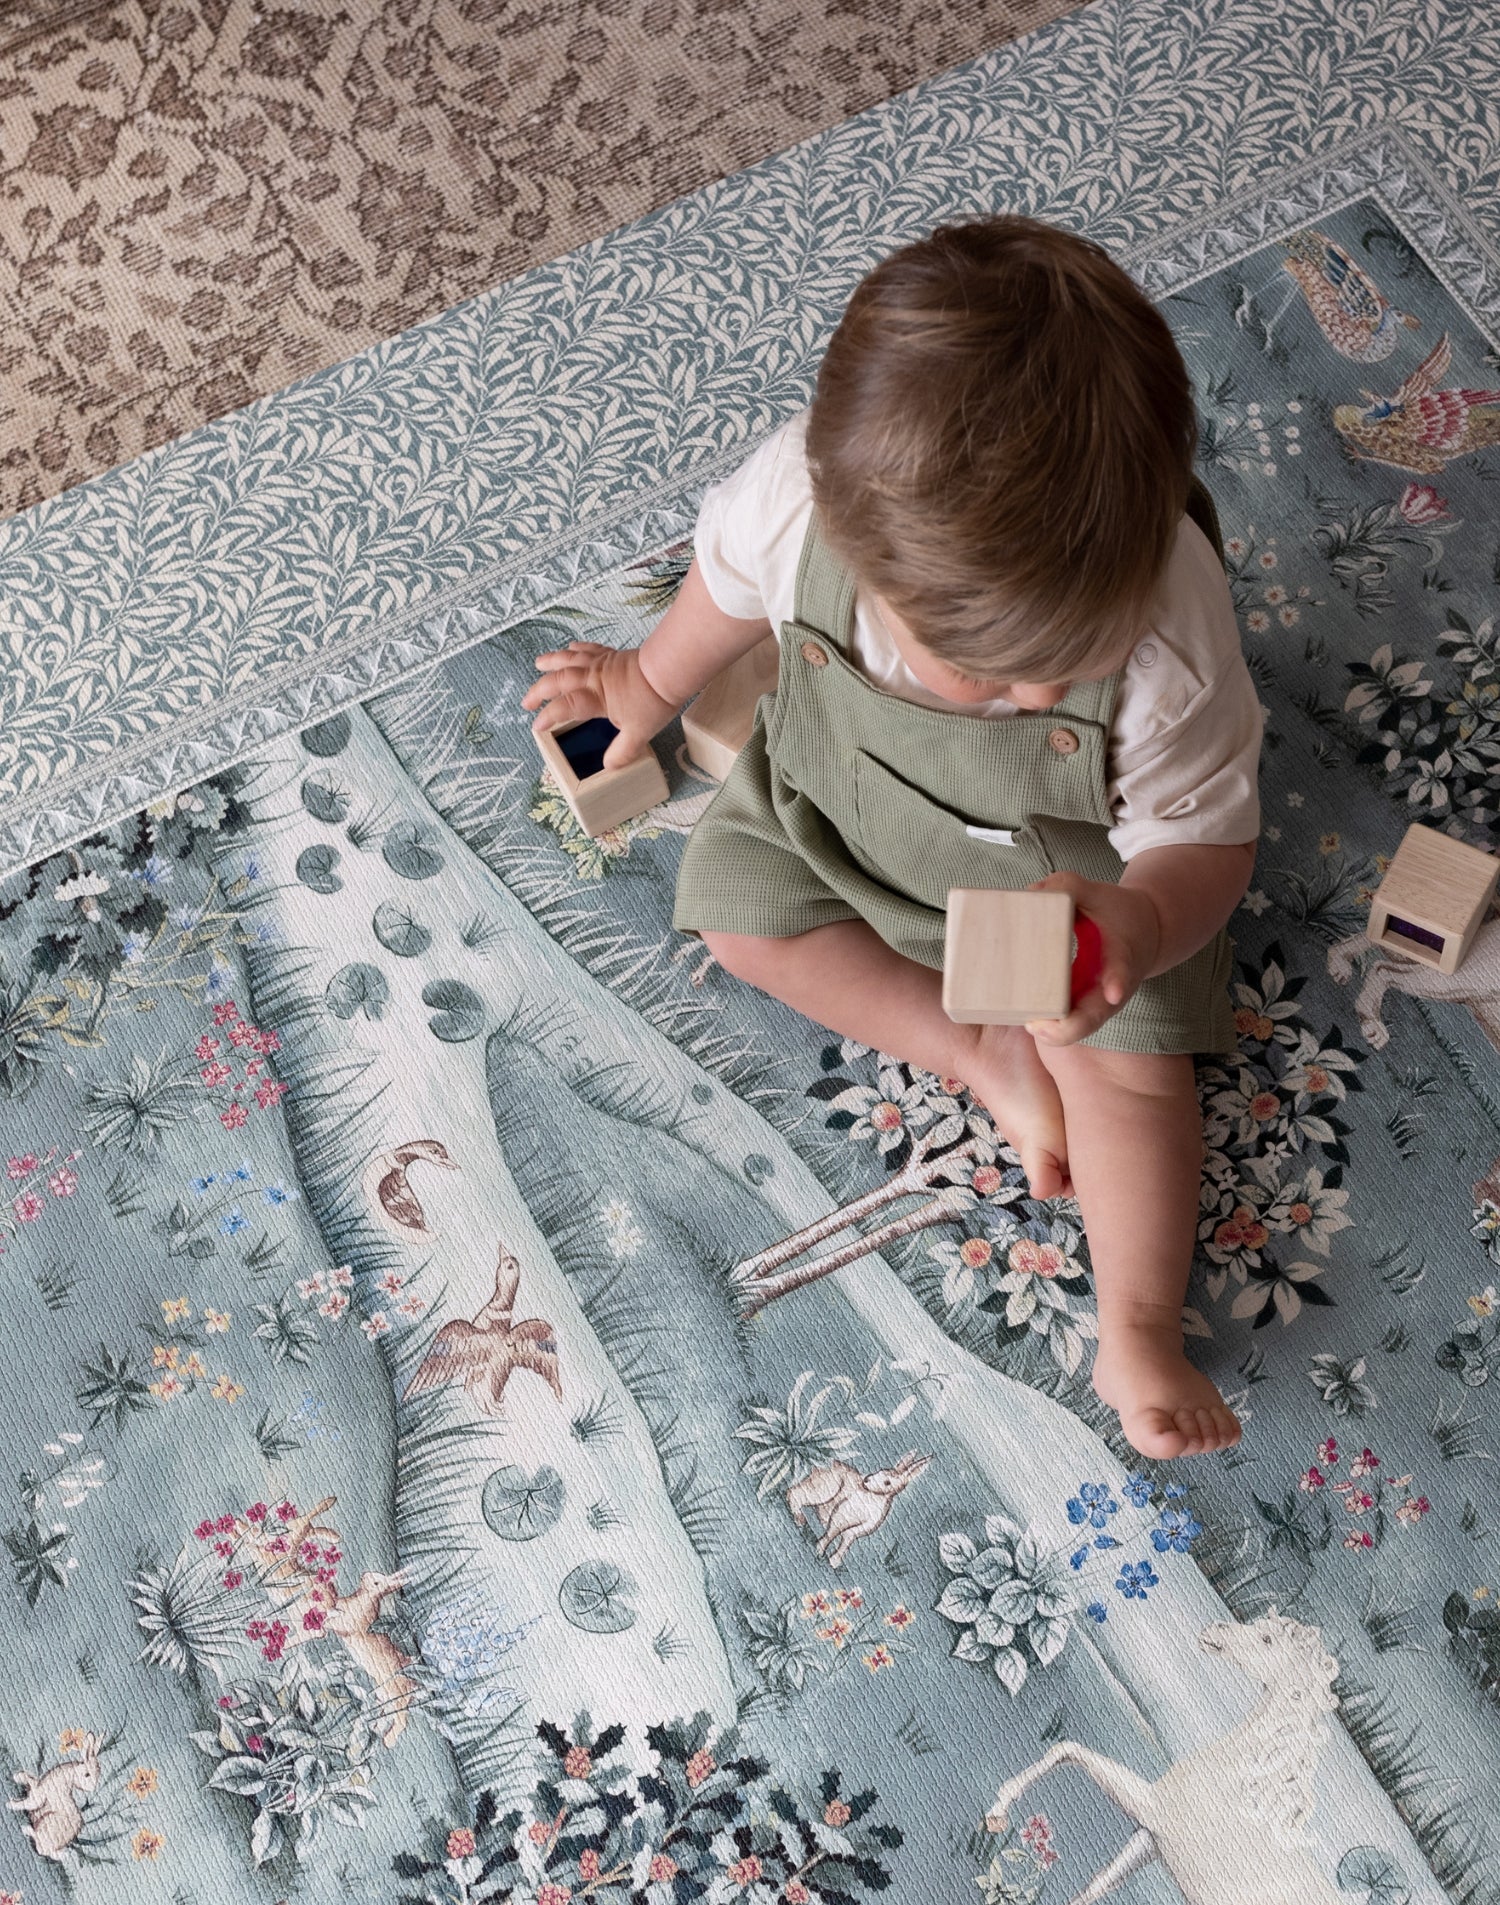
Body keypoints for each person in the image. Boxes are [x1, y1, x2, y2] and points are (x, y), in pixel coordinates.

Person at [524, 214, 1261, 1459]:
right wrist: (642, 688)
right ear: (863, 557)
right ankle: (974, 1048)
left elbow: (1211, 846)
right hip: (844, 820)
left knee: (1135, 1079)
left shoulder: (1171, 646)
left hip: (1072, 890)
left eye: (1065, 664)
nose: (1038, 695)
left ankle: (1137, 1324)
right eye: (991, 672)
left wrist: (1142, 920)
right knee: (737, 918)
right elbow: (721, 596)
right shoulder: (794, 501)